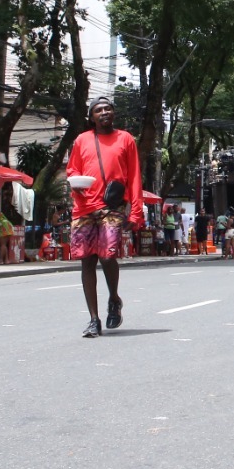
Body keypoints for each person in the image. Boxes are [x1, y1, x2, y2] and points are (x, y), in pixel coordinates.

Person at [65, 96, 144, 338]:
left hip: (112, 206)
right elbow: (72, 169)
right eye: (98, 110)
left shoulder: (126, 139)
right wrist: (75, 184)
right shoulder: (82, 140)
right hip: (84, 206)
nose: (104, 112)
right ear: (91, 117)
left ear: (114, 113)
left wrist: (136, 211)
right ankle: (93, 319)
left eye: (108, 108)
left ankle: (114, 298)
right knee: (87, 260)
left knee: (108, 256)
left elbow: (134, 177)